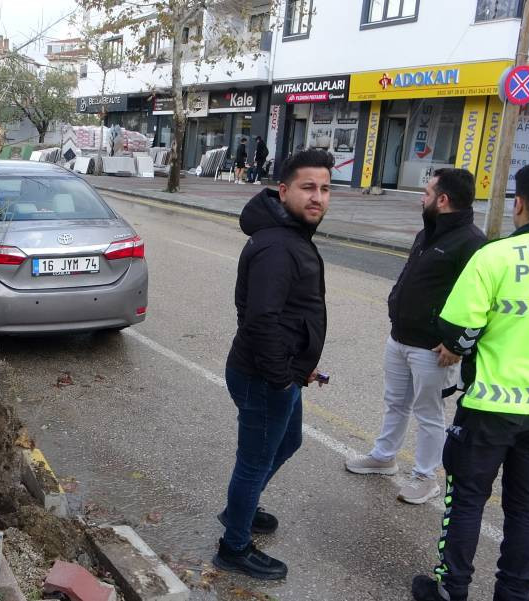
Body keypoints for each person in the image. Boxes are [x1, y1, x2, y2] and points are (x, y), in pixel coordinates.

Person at [411, 161, 529, 601]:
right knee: (526, 509)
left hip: (490, 407)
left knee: (467, 502)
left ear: (519, 204)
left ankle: (451, 589)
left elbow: (456, 331)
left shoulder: (494, 256)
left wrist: (468, 344)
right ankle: (515, 593)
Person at [215, 149, 334, 580]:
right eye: (307, 188)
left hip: (282, 372)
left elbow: (288, 315)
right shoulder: (278, 246)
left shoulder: (292, 235)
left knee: (288, 441)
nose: (317, 197)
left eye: (324, 188)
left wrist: (300, 368)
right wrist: (282, 378)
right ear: (283, 191)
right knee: (254, 459)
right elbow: (259, 319)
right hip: (265, 377)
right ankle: (234, 546)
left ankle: (239, 508)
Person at [345, 168, 486, 504]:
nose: (421, 199)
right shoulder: (429, 232)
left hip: (433, 348)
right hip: (400, 338)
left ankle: (425, 477)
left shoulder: (472, 243)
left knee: (428, 413)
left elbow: (479, 301)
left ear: (443, 199)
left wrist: (457, 344)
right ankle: (384, 456)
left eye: (426, 193)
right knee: (395, 403)